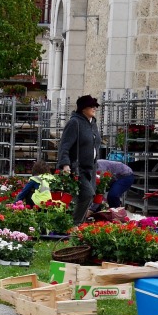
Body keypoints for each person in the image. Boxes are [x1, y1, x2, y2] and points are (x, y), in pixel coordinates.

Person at [57, 95, 102, 224]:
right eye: (91, 106)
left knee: (89, 197)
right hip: (78, 167)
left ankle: (77, 224)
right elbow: (64, 145)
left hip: (91, 167)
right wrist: (65, 164)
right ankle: (75, 224)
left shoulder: (93, 123)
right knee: (87, 194)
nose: (94, 109)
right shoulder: (74, 123)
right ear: (83, 109)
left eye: (95, 107)